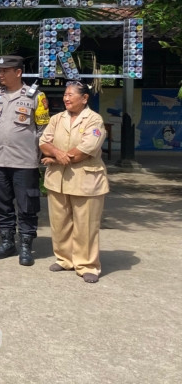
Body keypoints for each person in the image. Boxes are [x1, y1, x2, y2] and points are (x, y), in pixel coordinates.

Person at [39, 80, 110, 283]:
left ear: (84, 98)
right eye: (65, 94)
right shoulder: (57, 118)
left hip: (85, 179)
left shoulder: (94, 120)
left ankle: (87, 265)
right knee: (60, 222)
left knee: (85, 224)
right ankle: (64, 259)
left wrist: (55, 158)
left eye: (70, 95)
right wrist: (56, 154)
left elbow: (86, 150)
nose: (66, 98)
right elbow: (44, 141)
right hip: (58, 180)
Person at [0, 55, 50, 266]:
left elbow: (44, 129)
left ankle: (26, 246)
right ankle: (7, 242)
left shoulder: (36, 97)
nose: (0, 74)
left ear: (18, 72)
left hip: (24, 162)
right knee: (1, 204)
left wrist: (41, 153)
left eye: (5, 71)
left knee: (27, 206)